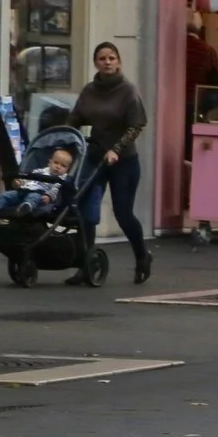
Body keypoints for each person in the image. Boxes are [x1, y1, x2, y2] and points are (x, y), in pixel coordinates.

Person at [68, 41, 152, 285]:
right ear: (96, 63)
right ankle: (87, 263)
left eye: (112, 58)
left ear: (118, 61)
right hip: (95, 157)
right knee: (85, 211)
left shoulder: (128, 90)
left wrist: (116, 149)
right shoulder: (90, 90)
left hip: (123, 160)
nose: (107, 62)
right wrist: (64, 135)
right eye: (102, 58)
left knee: (123, 213)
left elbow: (136, 125)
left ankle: (142, 256)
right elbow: (76, 117)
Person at [0, 143, 74, 218]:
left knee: (33, 197)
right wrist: (20, 182)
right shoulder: (41, 171)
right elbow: (29, 176)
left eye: (63, 165)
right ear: (49, 163)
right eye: (56, 163)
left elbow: (55, 190)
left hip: (39, 193)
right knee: (6, 195)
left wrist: (49, 196)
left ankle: (26, 207)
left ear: (67, 170)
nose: (58, 166)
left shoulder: (60, 179)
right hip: (22, 190)